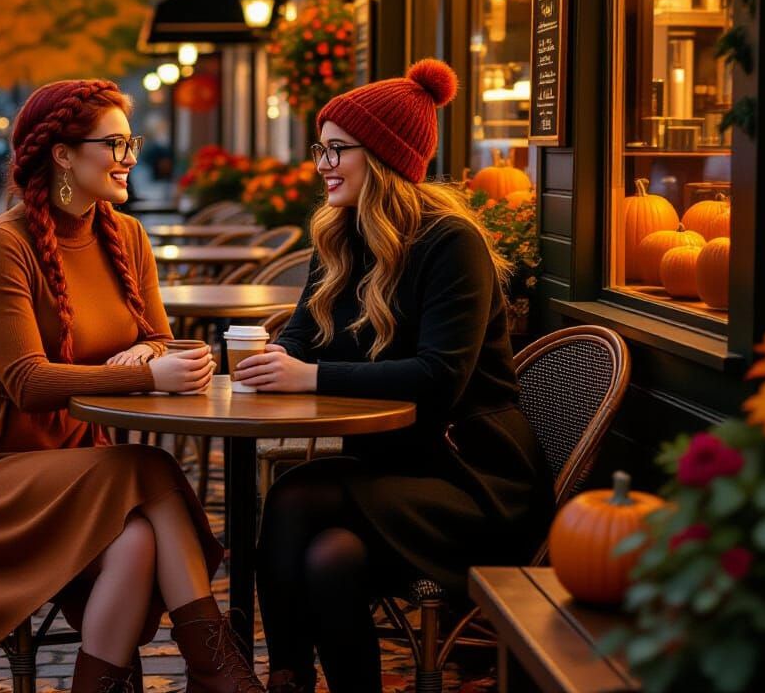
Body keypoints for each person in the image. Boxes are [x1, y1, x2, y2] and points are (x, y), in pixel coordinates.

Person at [0, 79, 266, 693]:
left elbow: (160, 336)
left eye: (131, 142)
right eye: (115, 143)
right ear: (62, 154)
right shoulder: (3, 243)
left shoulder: (126, 236)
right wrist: (138, 373)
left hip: (76, 465)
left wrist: (147, 352)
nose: (130, 156)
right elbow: (25, 381)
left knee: (134, 542)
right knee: (151, 468)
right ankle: (219, 671)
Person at [237, 61, 555, 693]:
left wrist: (310, 378)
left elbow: (439, 379)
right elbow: (302, 334)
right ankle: (291, 676)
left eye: (337, 149)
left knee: (294, 494)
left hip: (475, 482)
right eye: (319, 148)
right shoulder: (344, 235)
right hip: (396, 472)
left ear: (381, 155)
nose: (323, 163)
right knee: (332, 558)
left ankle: (281, 678)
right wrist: (275, 359)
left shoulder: (449, 243)